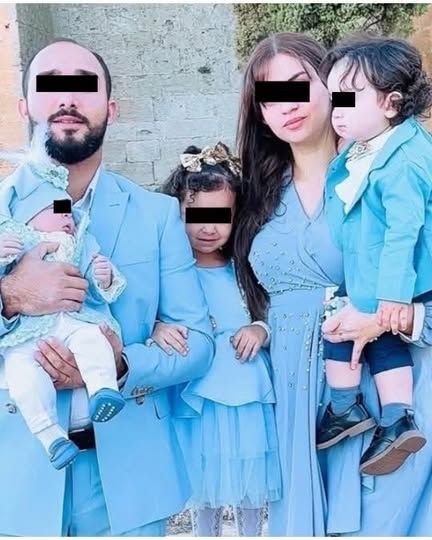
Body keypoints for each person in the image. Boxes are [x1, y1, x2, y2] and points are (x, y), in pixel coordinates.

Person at [0, 38, 214, 536]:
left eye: (83, 86)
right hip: (13, 481)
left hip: (129, 484)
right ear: (24, 106)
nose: (67, 99)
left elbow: (199, 343)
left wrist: (119, 366)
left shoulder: (157, 215)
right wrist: (11, 298)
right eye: (51, 85)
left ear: (111, 109)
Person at [234, 30, 432, 536]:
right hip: (292, 399)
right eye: (269, 96)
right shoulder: (251, 196)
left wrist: (390, 317)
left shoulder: (399, 171)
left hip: (385, 384)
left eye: (299, 85)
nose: (287, 105)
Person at [317, 36, 432, 476]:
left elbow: (404, 231)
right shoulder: (368, 147)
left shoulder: (404, 159)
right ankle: (395, 416)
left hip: (401, 278)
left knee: (341, 322)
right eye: (334, 97)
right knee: (365, 330)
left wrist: (391, 299)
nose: (338, 109)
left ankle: (345, 405)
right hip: (377, 273)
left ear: (391, 103)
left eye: (349, 97)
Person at [152, 142, 281, 536]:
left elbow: (276, 310)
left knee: (250, 482)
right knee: (203, 482)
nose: (208, 229)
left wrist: (260, 329)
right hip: (198, 393)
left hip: (245, 388)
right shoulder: (171, 271)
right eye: (197, 216)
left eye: (220, 217)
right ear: (177, 213)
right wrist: (158, 327)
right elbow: (146, 311)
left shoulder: (245, 266)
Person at [0, 145, 127, 469]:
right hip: (26, 336)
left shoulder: (79, 242)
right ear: (30, 214)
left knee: (92, 339)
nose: (68, 218)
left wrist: (104, 276)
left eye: (69, 211)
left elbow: (94, 273)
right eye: (58, 209)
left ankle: (103, 388)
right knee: (21, 377)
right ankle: (50, 436)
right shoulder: (14, 240)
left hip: (71, 320)